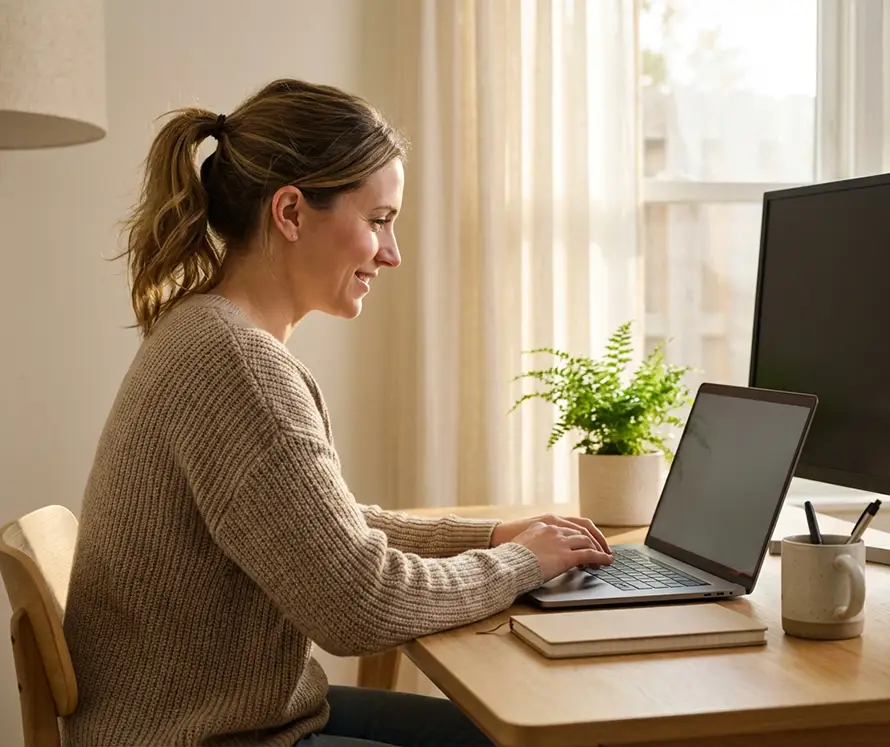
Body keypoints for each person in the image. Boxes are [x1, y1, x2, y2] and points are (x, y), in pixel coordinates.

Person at [61, 78, 614, 747]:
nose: (392, 251)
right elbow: (360, 604)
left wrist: (492, 538)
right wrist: (524, 563)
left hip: (244, 717)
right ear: (291, 213)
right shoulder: (237, 364)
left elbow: (325, 531)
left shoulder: (210, 333)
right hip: (213, 737)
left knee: (537, 731)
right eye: (378, 219)